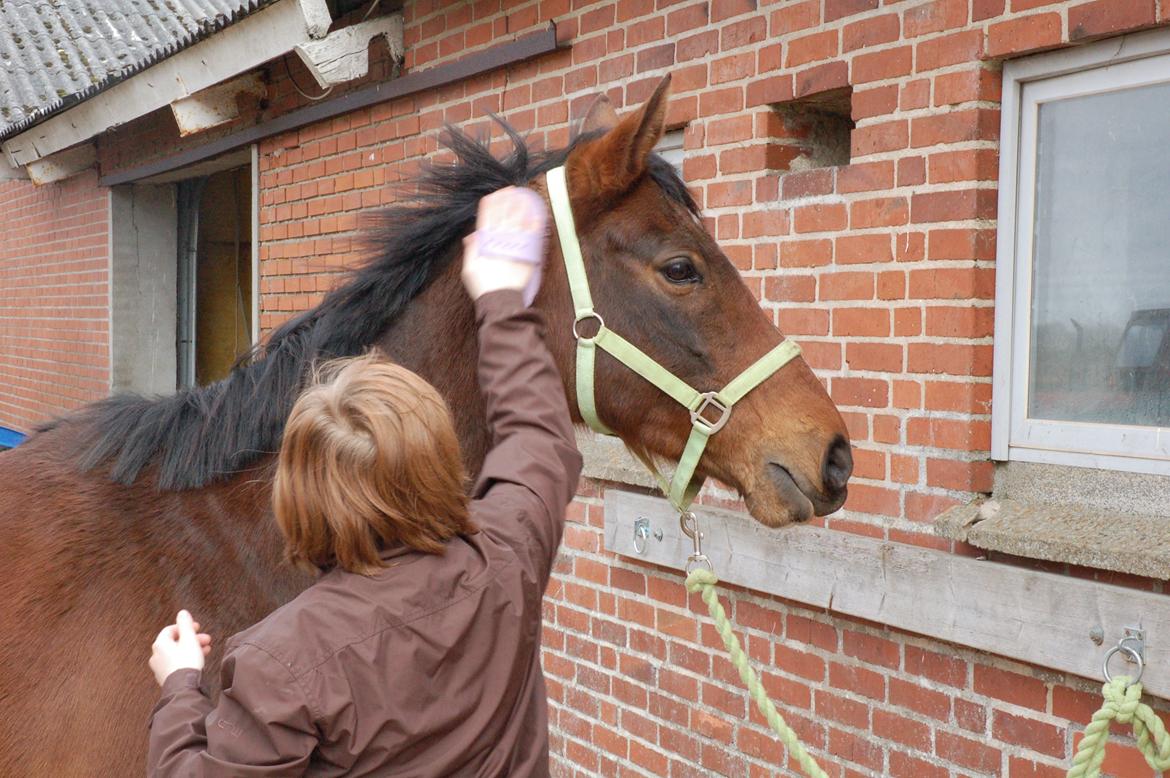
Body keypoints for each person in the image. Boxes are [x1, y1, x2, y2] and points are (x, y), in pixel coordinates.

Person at [146, 186, 583, 777]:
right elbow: (539, 433)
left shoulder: (281, 660)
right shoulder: (509, 555)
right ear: (438, 461)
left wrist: (179, 688)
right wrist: (503, 296)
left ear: (297, 497)